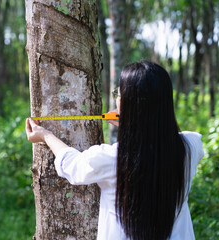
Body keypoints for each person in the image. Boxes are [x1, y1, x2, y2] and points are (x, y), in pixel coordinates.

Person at [25, 61, 204, 240]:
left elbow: (73, 165)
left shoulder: (113, 159)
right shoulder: (190, 147)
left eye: (118, 94)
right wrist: (137, 124)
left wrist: (46, 136)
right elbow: (163, 137)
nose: (116, 98)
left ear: (130, 104)